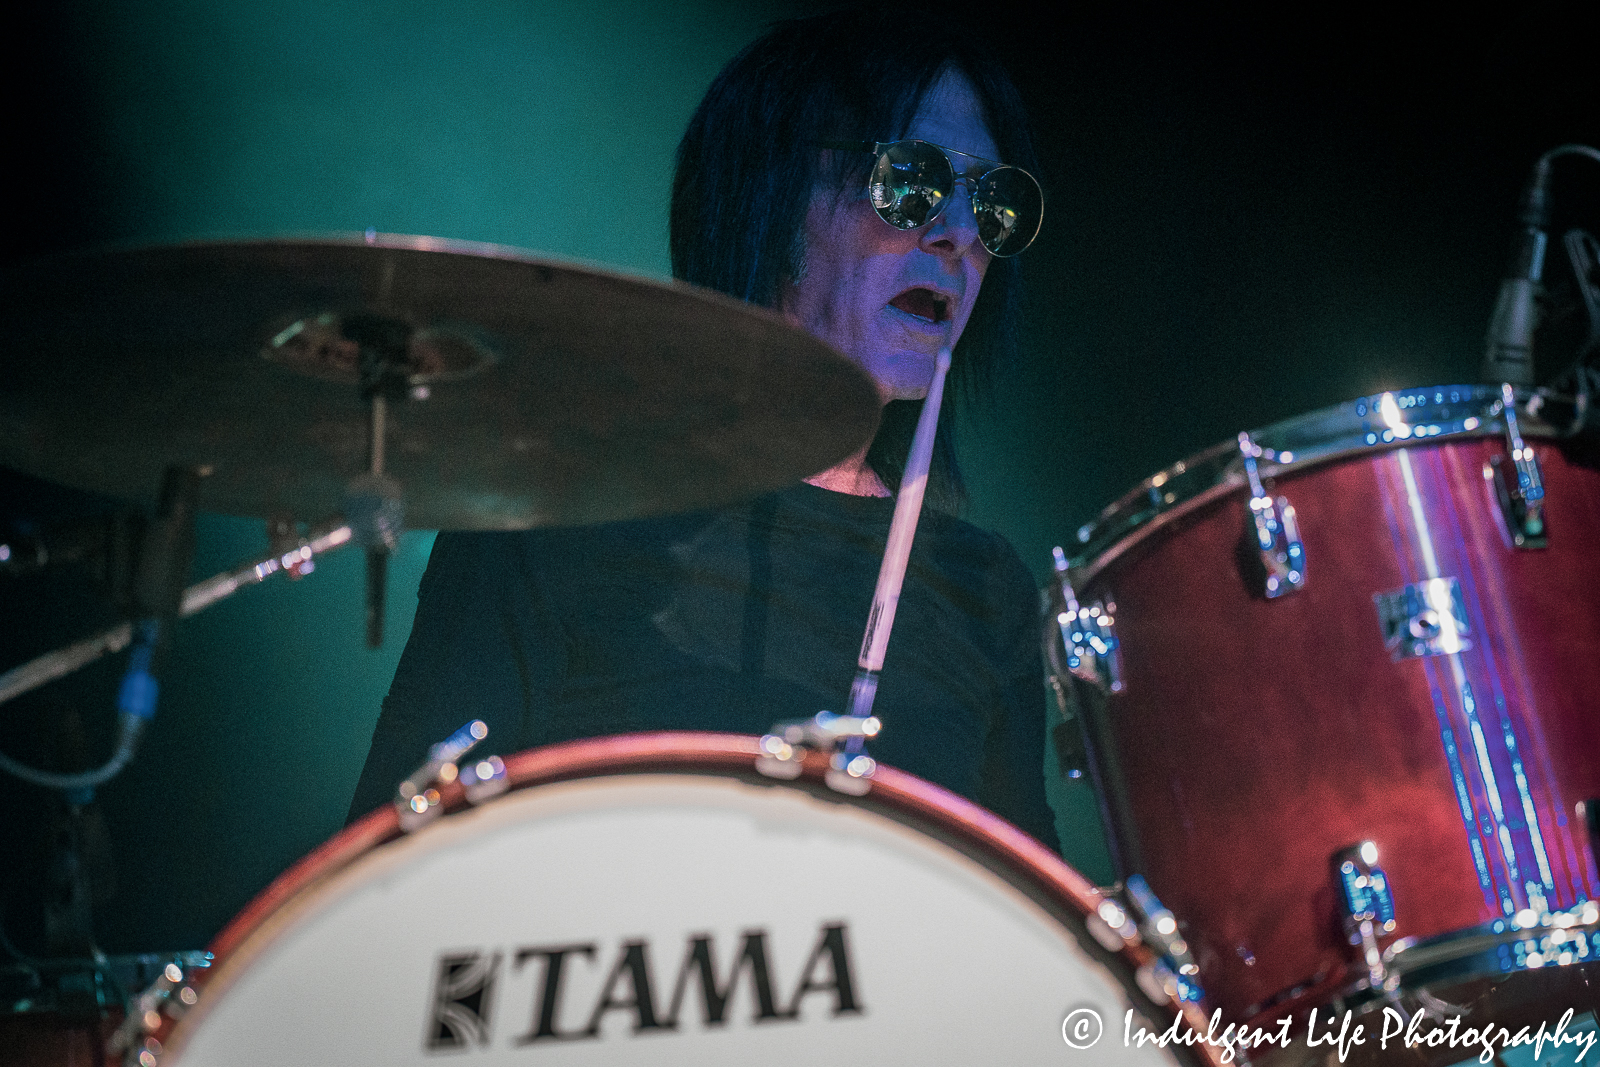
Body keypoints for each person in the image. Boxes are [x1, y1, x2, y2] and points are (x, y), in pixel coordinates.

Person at [347, 10, 1058, 850]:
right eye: (914, 180)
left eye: (993, 203)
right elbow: (383, 878)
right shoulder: (552, 517)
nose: (961, 233)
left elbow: (1032, 940)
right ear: (766, 191)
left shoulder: (986, 595)